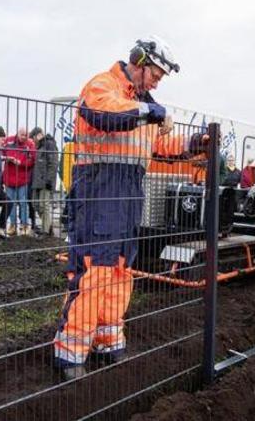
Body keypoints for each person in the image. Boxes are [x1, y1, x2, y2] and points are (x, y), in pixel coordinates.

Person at [54, 35, 206, 380]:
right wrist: (152, 111)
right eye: (155, 73)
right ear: (138, 62)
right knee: (95, 268)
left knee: (121, 268)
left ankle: (108, 340)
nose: (157, 81)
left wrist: (195, 142)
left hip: (127, 193)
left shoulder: (141, 105)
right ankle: (71, 352)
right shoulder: (104, 86)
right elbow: (103, 112)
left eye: (161, 78)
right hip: (98, 189)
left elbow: (161, 145)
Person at [3, 127, 36, 236]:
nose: (24, 137)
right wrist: (6, 158)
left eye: (26, 135)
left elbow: (33, 160)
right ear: (17, 133)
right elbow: (0, 153)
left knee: (23, 203)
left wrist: (21, 163)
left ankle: (25, 225)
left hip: (22, 178)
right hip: (9, 178)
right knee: (10, 203)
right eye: (22, 135)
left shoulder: (30, 144)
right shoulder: (8, 141)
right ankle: (12, 225)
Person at [29, 126, 59, 236]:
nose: (33, 141)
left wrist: (49, 180)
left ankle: (46, 231)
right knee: (36, 204)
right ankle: (48, 226)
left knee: (43, 205)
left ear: (38, 135)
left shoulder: (49, 144)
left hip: (45, 181)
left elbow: (53, 164)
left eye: (33, 138)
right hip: (37, 181)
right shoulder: (40, 146)